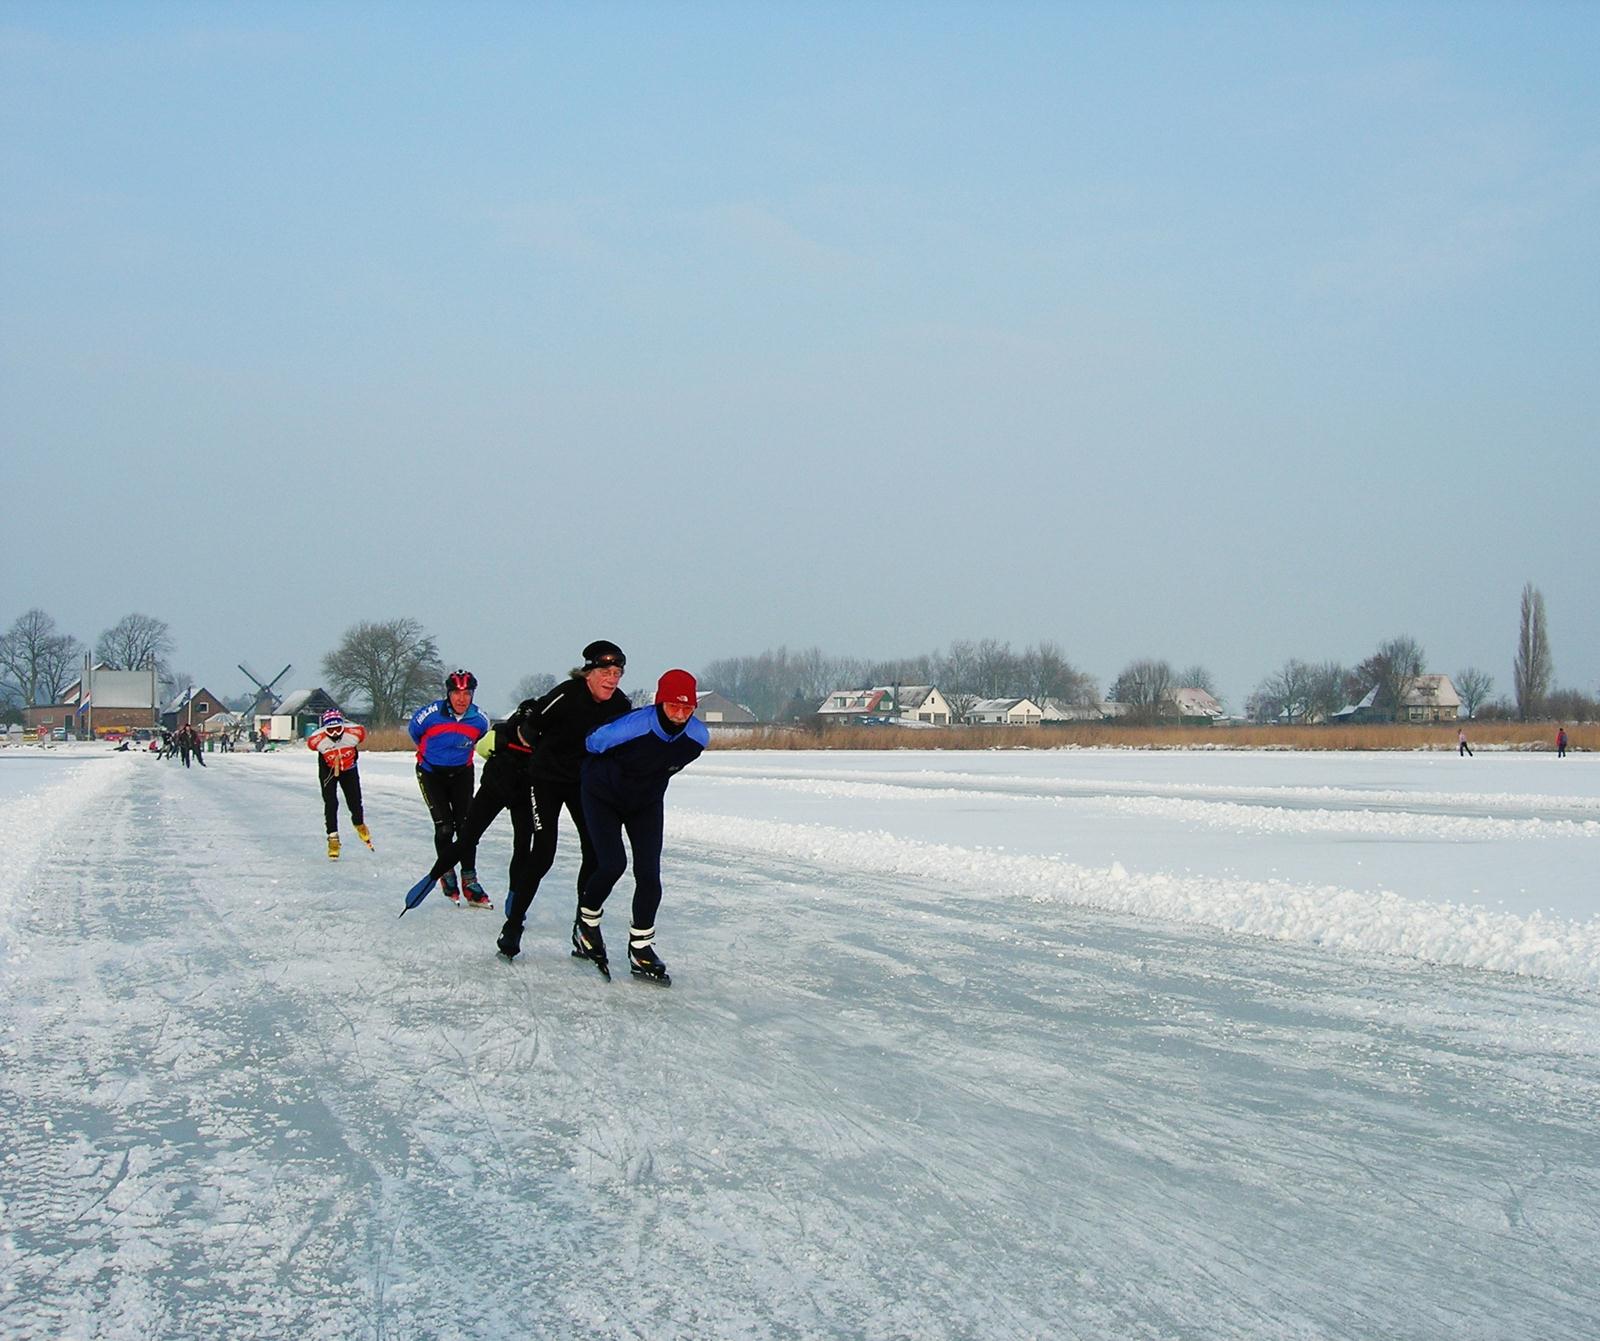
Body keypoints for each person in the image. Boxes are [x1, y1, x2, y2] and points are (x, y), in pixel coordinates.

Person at [570, 668, 709, 983]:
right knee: (612, 863)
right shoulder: (632, 726)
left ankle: (641, 947)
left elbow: (667, 761)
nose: (679, 714)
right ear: (660, 702)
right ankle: (586, 925)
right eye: (673, 705)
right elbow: (592, 742)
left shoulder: (697, 738)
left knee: (649, 874)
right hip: (602, 795)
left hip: (645, 803)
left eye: (687, 708)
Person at [408, 669, 491, 904]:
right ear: (448, 693)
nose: (461, 698)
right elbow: (415, 732)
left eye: (467, 693)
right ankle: (446, 872)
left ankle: (469, 879)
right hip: (431, 772)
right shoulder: (430, 714)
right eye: (456, 692)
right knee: (445, 827)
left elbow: (481, 739)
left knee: (467, 828)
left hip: (462, 773)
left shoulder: (479, 719)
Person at [306, 708, 370, 859]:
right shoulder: (317, 741)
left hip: (348, 768)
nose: (335, 734)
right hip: (327, 768)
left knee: (354, 800)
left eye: (337, 729)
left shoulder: (355, 733)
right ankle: (333, 837)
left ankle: (359, 822)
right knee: (331, 802)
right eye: (331, 730)